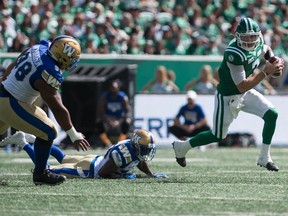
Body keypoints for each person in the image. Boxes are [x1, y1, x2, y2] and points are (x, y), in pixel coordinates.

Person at [172, 17, 285, 171]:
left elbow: (265, 48)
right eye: (246, 37)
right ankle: (182, 146)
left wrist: (273, 60)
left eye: (253, 36)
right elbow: (241, 86)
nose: (250, 40)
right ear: (237, 37)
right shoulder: (234, 53)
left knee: (272, 114)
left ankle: (264, 157)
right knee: (217, 135)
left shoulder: (258, 41)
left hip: (245, 92)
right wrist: (266, 72)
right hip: (228, 96)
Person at [0, 35, 90, 185]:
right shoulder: (48, 70)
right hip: (10, 101)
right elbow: (57, 107)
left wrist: (4, 78)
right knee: (49, 132)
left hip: (5, 93)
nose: (73, 62)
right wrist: (74, 135)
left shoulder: (40, 48)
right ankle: (41, 174)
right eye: (72, 58)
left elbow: (19, 59)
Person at [0, 129, 167, 179]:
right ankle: (23, 142)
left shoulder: (133, 149)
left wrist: (150, 175)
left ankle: (37, 140)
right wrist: (124, 177)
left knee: (64, 157)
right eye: (144, 148)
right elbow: (103, 173)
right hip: (89, 170)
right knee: (47, 169)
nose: (146, 152)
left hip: (96, 160)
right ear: (136, 145)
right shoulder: (123, 153)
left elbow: (140, 160)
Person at [96, 79, 131, 147]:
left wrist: (118, 121)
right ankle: (107, 143)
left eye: (115, 88)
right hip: (108, 117)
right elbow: (100, 112)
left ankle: (119, 143)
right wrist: (107, 120)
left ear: (118, 88)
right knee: (98, 122)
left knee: (127, 121)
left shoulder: (123, 97)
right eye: (112, 88)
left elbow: (127, 112)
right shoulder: (105, 97)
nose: (113, 89)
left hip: (119, 118)